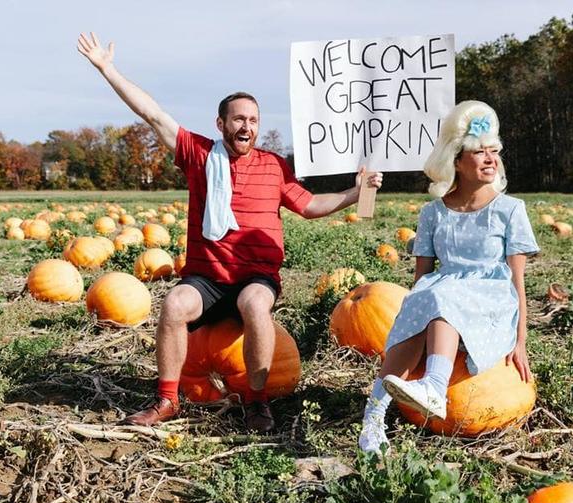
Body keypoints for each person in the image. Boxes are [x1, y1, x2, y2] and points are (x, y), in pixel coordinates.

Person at [77, 32, 383, 433]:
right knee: (172, 305)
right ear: (221, 123)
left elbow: (308, 206)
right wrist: (107, 68)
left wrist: (355, 193)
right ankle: (167, 399)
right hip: (206, 278)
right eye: (239, 118)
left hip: (254, 278)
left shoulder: (274, 166)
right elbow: (153, 114)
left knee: (256, 304)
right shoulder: (200, 155)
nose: (247, 126)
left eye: (253, 120)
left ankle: (257, 401)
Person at [358, 100, 539, 454]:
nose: (490, 159)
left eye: (494, 152)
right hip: (443, 291)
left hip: (491, 297)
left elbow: (518, 281)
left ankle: (435, 387)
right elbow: (421, 276)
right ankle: (373, 419)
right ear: (456, 160)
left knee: (441, 297)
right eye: (479, 152)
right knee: (422, 301)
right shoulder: (432, 213)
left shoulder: (510, 210)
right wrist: (411, 321)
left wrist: (521, 340)